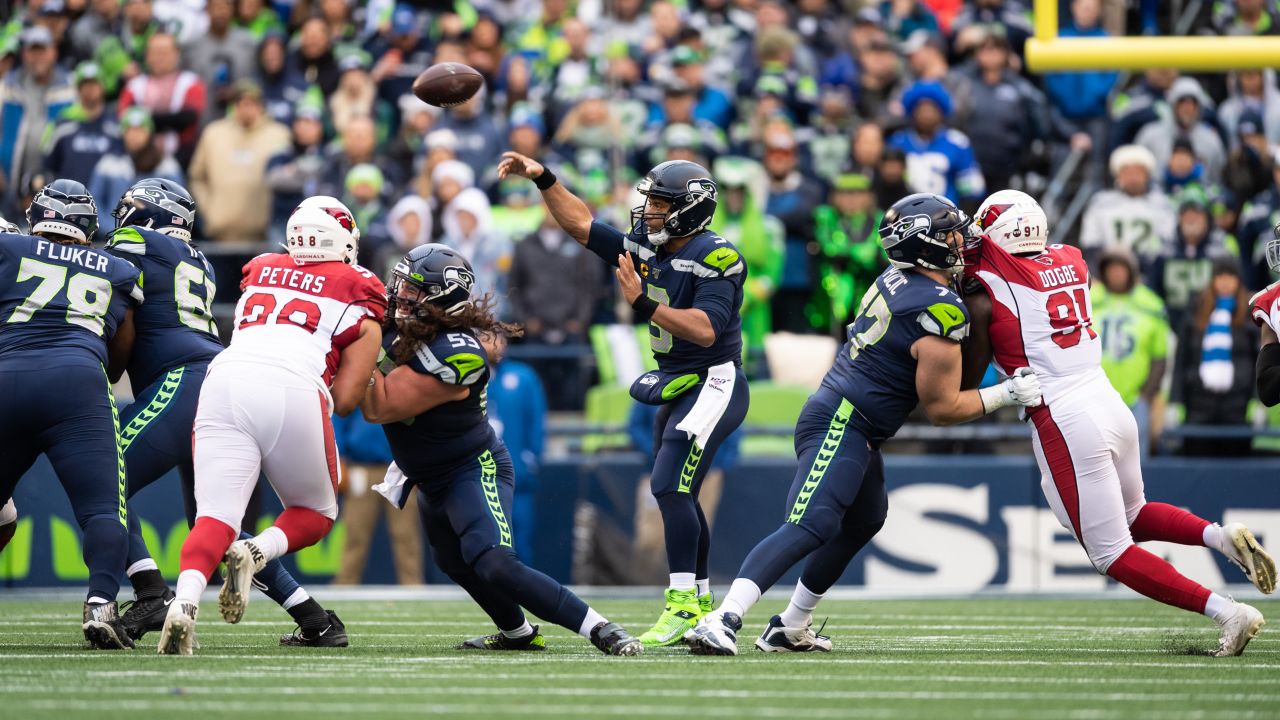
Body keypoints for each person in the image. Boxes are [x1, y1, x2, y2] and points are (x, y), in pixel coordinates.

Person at [686, 193, 1042, 656]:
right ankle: (724, 618)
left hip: (857, 422)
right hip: (843, 420)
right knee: (809, 524)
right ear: (926, 244)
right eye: (951, 232)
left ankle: (790, 624)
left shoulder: (899, 278)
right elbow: (942, 409)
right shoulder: (938, 309)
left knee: (866, 519)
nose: (961, 239)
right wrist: (1006, 393)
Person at [961, 189, 1273, 657]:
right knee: (1131, 516)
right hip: (1107, 398)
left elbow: (972, 268)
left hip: (1063, 414)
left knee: (1109, 552)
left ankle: (1228, 612)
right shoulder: (1071, 259)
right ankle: (1218, 536)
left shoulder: (991, 275)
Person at [499, 151, 749, 647]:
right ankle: (698, 602)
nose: (649, 211)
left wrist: (642, 302)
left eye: (660, 203)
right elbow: (582, 225)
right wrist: (545, 177)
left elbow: (704, 330)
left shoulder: (716, 257)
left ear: (689, 209)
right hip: (677, 380)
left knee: (669, 485)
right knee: (679, 490)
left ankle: (680, 603)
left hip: (714, 379)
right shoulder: (650, 246)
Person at [361, 244, 642, 656]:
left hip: (470, 469)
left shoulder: (458, 353)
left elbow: (379, 405)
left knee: (495, 562)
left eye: (412, 290)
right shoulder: (407, 329)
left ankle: (602, 629)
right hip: (429, 475)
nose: (399, 296)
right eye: (400, 285)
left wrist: (356, 343)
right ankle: (517, 633)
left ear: (440, 296)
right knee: (453, 562)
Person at [103, 178, 346, 646]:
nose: (120, 221)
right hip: (216, 379)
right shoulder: (200, 261)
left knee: (102, 483)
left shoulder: (136, 243)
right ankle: (313, 617)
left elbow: (96, 278)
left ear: (150, 216)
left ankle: (150, 589)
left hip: (183, 380)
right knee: (215, 526)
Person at [158, 197, 386, 655]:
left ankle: (183, 603)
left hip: (223, 379)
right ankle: (258, 550)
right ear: (343, 241)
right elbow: (344, 402)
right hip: (293, 388)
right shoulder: (361, 287)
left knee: (214, 519)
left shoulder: (260, 268)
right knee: (316, 513)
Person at [0, 179, 142, 648]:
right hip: (77, 382)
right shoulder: (117, 269)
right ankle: (101, 603)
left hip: (6, 375)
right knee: (104, 507)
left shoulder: (8, 247)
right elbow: (120, 356)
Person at [1174, 259, 1259, 457]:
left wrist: (1257, 399)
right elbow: (1181, 359)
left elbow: (1258, 360)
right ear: (1212, 280)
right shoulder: (1195, 311)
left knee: (1236, 463)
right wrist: (1176, 401)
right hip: (1199, 404)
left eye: (1231, 276)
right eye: (1220, 276)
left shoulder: (1250, 314)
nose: (1225, 282)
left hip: (1237, 405)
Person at [1090, 248, 1169, 454]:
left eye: (1121, 268)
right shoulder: (1088, 301)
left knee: (1135, 464)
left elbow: (1159, 357)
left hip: (1135, 399)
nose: (1116, 273)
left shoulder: (1150, 305)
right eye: (1111, 268)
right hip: (1094, 397)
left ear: (1131, 271)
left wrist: (1146, 394)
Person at [1079, 145, 1175, 273]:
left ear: (1147, 175)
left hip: (1150, 271)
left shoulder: (1162, 205)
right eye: (1127, 172)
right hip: (1109, 270)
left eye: (1138, 172)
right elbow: (1091, 242)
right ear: (1117, 174)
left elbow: (1167, 242)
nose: (1133, 178)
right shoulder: (1101, 203)